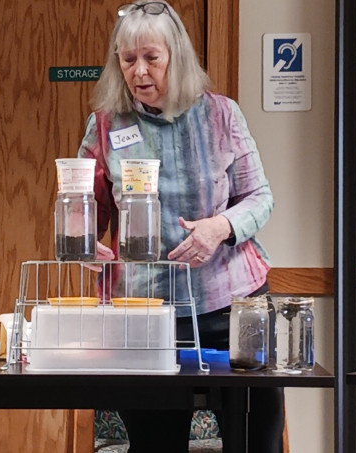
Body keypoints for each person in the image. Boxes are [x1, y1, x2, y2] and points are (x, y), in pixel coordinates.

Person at [77, 2, 284, 452]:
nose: (139, 71)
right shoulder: (107, 124)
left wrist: (220, 226)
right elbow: (84, 210)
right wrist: (86, 244)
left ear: (176, 56)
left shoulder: (222, 115)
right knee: (155, 445)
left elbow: (260, 197)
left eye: (151, 57)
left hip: (230, 306)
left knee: (254, 441)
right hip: (146, 312)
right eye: (127, 60)